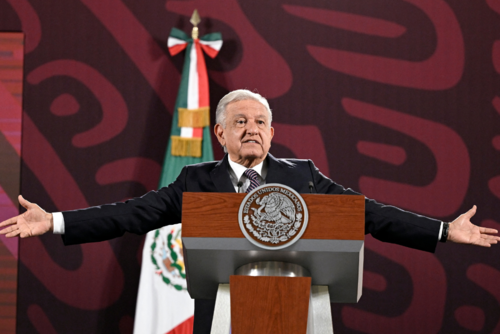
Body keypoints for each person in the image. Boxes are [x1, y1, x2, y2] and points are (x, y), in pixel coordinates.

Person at [1, 89, 499, 331]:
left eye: (261, 121)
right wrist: (55, 221)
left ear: (272, 132)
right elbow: (131, 213)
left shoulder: (303, 176)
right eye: (240, 121)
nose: (252, 128)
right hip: (222, 315)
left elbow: (367, 214)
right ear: (219, 133)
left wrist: (441, 231)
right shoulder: (197, 182)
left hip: (300, 312)